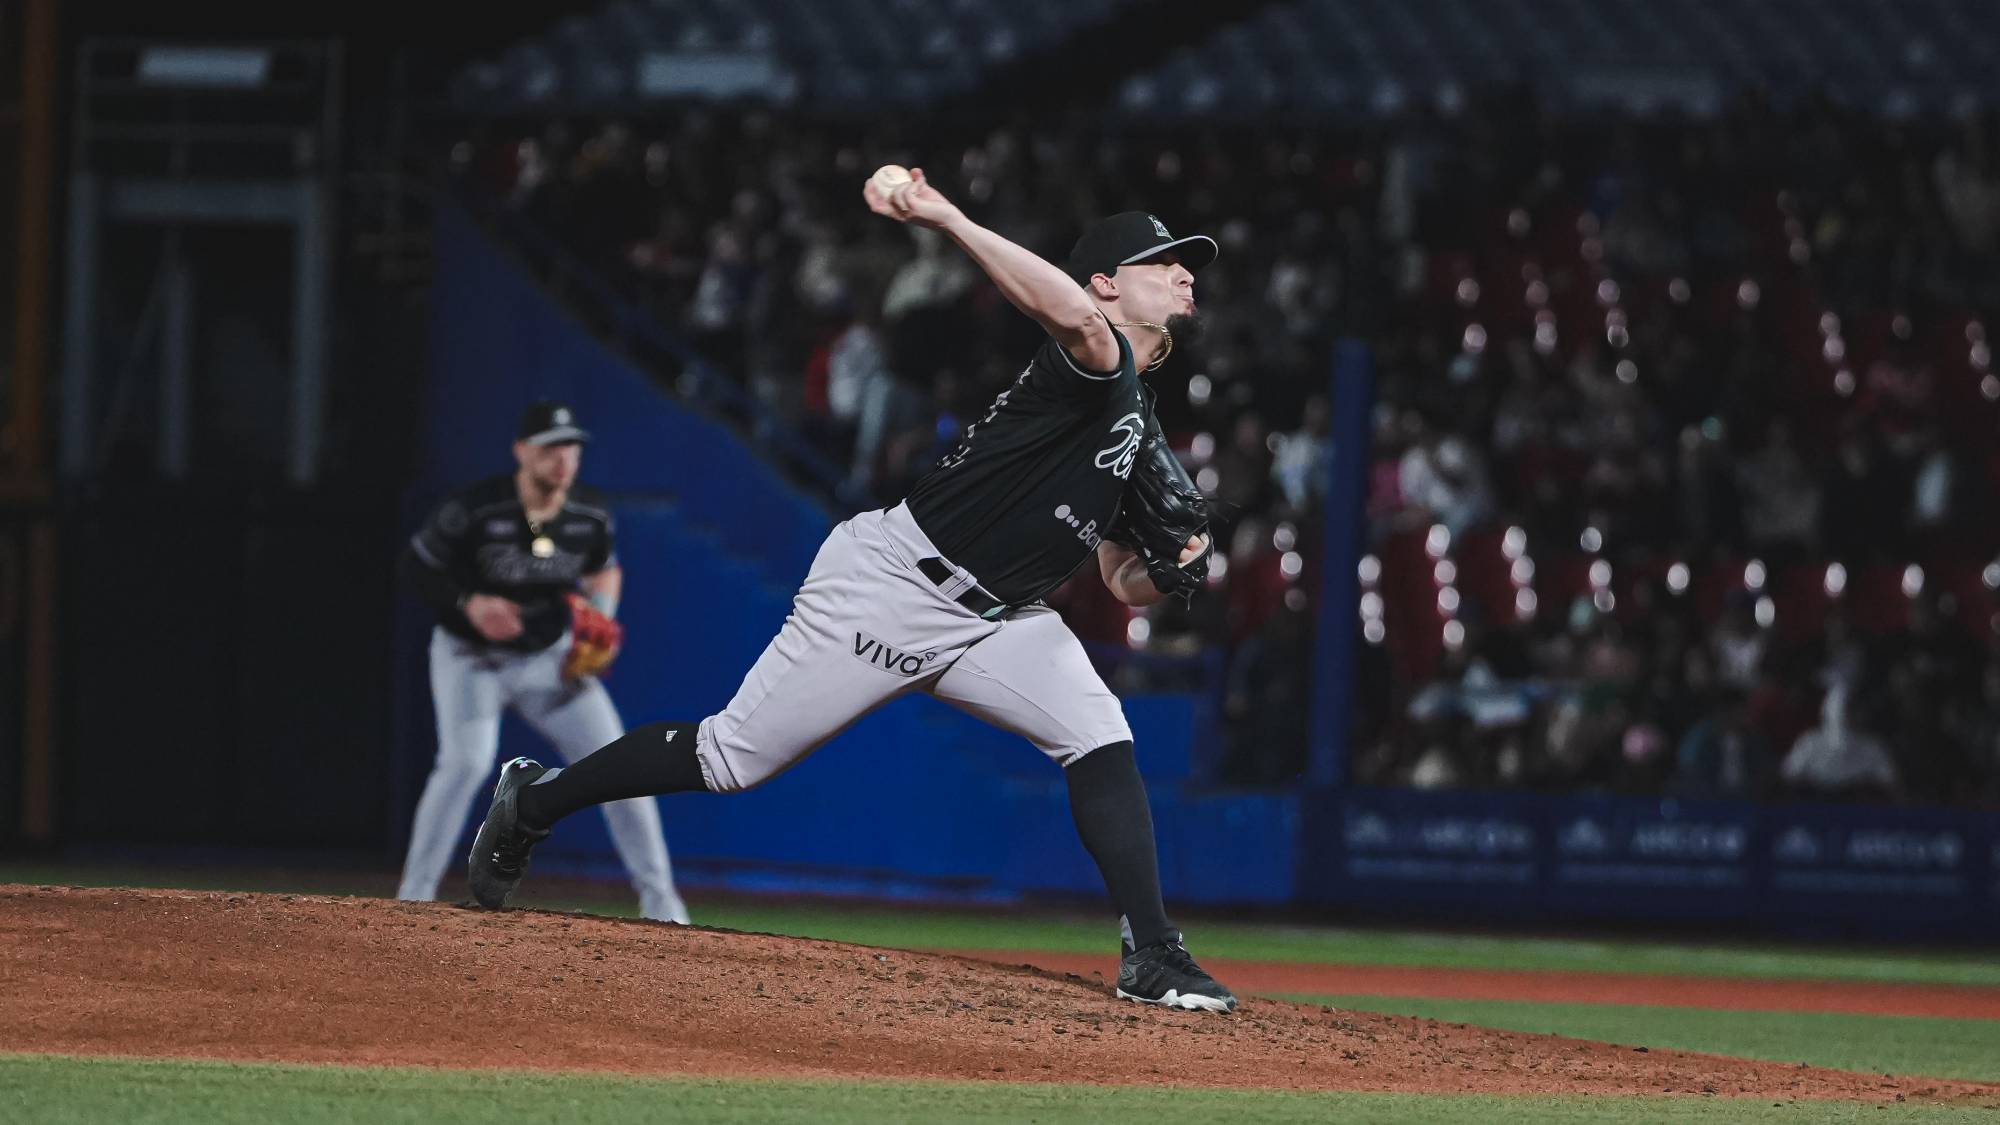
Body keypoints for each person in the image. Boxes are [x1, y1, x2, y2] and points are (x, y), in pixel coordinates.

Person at [466, 172, 1238, 1013]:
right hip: (892, 586)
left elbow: (1121, 580)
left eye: (1184, 264)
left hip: (998, 621)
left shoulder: (1138, 432)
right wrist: (944, 214)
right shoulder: (1092, 359)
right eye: (1162, 261)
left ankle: (1152, 951)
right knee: (729, 758)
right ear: (1103, 281)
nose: (1184, 273)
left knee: (1099, 732)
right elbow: (1075, 320)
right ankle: (533, 799)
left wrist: (1170, 568)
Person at [398, 402, 690, 924]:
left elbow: (604, 571)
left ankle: (663, 903)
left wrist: (601, 620)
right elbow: (418, 566)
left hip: (550, 661)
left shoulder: (589, 512)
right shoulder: (475, 509)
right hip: (472, 658)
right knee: (464, 762)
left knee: (620, 766)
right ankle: (413, 897)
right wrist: (469, 603)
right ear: (521, 451)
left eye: (571, 446)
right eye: (551, 446)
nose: (563, 458)